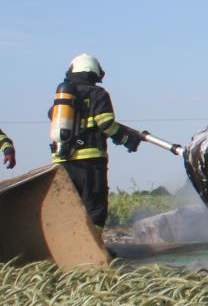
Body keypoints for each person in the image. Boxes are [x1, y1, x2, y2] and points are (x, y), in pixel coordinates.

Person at [49, 53, 140, 227]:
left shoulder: (65, 97)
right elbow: (106, 124)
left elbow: (51, 116)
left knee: (69, 206)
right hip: (90, 162)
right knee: (95, 206)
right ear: (95, 72)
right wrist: (125, 138)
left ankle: (69, 246)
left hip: (62, 161)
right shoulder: (98, 94)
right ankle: (95, 248)